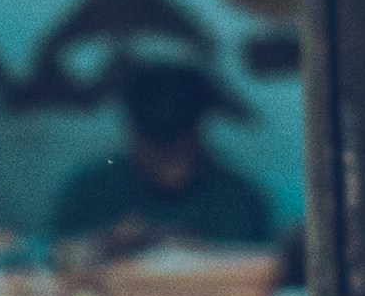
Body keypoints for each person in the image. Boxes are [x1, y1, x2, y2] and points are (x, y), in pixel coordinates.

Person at [51, 63, 281, 250]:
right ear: (132, 135)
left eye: (176, 151)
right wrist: (102, 245)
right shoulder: (91, 193)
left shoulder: (237, 200)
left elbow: (262, 269)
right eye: (154, 150)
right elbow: (54, 260)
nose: (166, 164)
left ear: (198, 135)